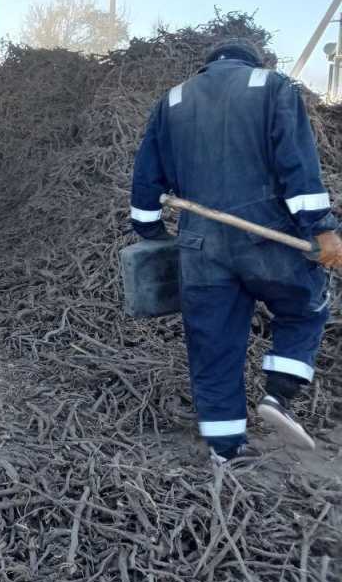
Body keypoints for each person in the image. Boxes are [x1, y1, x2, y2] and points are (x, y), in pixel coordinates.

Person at [131, 37, 342, 464]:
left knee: (213, 340)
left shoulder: (171, 101)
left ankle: (228, 449)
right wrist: (321, 230)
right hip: (266, 233)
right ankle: (279, 395)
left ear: (208, 66)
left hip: (199, 240)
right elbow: (297, 165)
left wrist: (150, 230)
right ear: (253, 61)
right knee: (305, 305)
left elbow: (146, 175)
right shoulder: (274, 86)